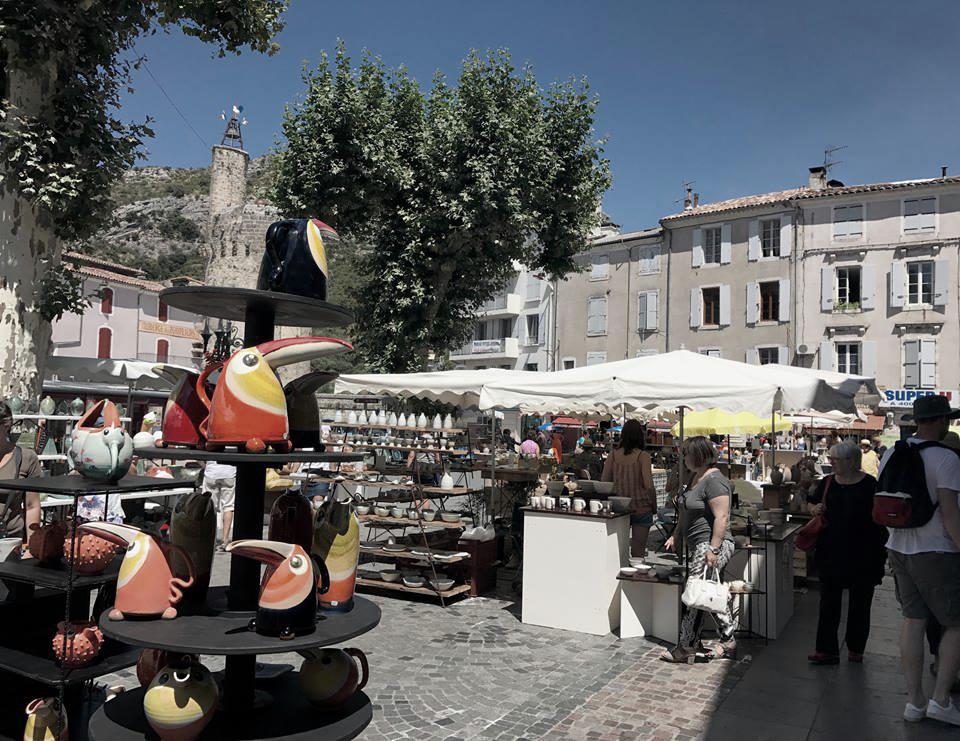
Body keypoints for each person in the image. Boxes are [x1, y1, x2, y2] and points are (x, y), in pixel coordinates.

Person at [878, 395, 960, 726]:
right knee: (956, 623)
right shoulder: (947, 458)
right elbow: (951, 513)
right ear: (940, 421)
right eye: (948, 419)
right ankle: (941, 699)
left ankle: (914, 702)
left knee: (913, 620)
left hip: (898, 546)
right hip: (937, 550)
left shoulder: (891, 452)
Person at [806, 441, 887, 664]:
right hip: (831, 551)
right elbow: (810, 504)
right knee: (828, 602)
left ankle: (856, 648)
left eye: (835, 459)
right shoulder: (827, 482)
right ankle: (826, 650)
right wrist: (814, 509)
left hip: (865, 553)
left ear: (851, 461)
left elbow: (880, 517)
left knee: (860, 603)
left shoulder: (871, 485)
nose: (830, 462)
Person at [661, 436, 736, 662]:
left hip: (710, 544)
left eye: (686, 454)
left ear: (699, 455)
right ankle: (728, 640)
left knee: (694, 594)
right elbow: (685, 510)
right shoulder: (695, 477)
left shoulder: (715, 481)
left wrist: (713, 549)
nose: (683, 458)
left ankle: (686, 647)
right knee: (707, 592)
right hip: (698, 545)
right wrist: (675, 535)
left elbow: (722, 517)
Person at [602, 419, 656, 558]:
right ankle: (636, 578)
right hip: (641, 507)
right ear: (640, 435)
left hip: (618, 508)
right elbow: (649, 485)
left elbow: (604, 482)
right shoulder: (643, 456)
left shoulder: (613, 455)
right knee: (638, 552)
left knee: (618, 550)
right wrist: (654, 505)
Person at [0, 402, 41, 552]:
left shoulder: (26, 458)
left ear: (6, 425)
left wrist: (33, 548)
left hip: (9, 543)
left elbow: (32, 506)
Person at [202, 459, 236, 550]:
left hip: (212, 471)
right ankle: (225, 540)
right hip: (229, 472)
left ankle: (209, 539)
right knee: (228, 506)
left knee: (209, 506)